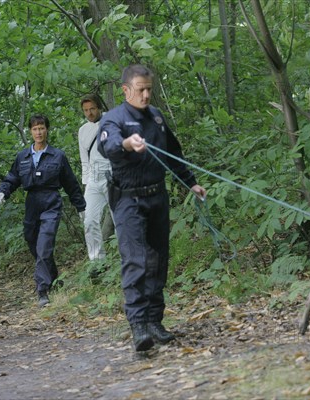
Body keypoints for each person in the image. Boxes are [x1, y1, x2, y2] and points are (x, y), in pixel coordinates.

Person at [98, 64, 207, 351]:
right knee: (136, 260)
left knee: (159, 260)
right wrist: (126, 144)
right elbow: (107, 147)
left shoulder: (156, 118)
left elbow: (173, 153)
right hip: (127, 200)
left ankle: (155, 320)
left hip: (157, 197)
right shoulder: (114, 119)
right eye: (140, 90)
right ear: (126, 90)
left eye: (149, 89)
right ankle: (139, 326)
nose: (146, 95)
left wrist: (190, 183)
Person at [0, 114, 86, 307]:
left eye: (42, 128)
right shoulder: (23, 156)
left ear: (47, 130)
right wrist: (3, 191)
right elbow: (12, 177)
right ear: (30, 132)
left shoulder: (57, 156)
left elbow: (70, 183)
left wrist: (81, 206)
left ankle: (42, 290)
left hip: (51, 201)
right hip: (32, 203)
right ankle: (53, 277)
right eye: (35, 129)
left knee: (44, 245)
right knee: (33, 242)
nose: (39, 132)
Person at [77, 94, 113, 271]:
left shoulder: (112, 121)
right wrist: (86, 185)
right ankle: (97, 264)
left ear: (99, 107)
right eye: (85, 110)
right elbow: (84, 159)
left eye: (92, 109)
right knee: (89, 221)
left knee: (121, 220)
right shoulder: (82, 131)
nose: (89, 113)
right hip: (93, 179)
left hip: (113, 176)